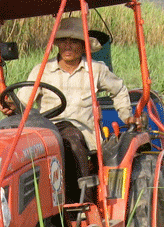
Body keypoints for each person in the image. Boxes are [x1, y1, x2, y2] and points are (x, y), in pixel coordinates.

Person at [15, 17, 134, 202]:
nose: (68, 46)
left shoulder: (96, 70)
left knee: (71, 137)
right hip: (48, 132)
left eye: (74, 41)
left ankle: (83, 203)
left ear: (83, 44)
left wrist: (126, 115)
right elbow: (24, 103)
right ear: (57, 44)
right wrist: (10, 107)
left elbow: (119, 90)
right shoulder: (42, 70)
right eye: (63, 41)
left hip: (84, 136)